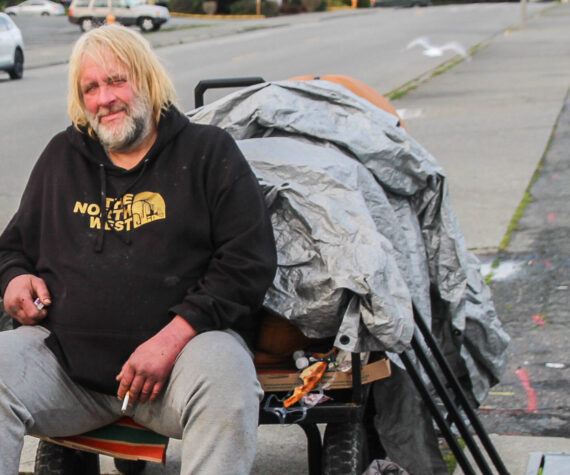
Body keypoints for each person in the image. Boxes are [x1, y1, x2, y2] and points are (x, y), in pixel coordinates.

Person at [0, 24, 276, 474]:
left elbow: (249, 263)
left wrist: (171, 339)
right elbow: (12, 247)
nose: (104, 99)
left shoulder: (208, 153)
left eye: (116, 80)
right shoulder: (61, 157)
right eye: (90, 87)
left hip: (180, 368)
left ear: (148, 80)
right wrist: (14, 279)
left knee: (228, 381)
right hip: (69, 369)